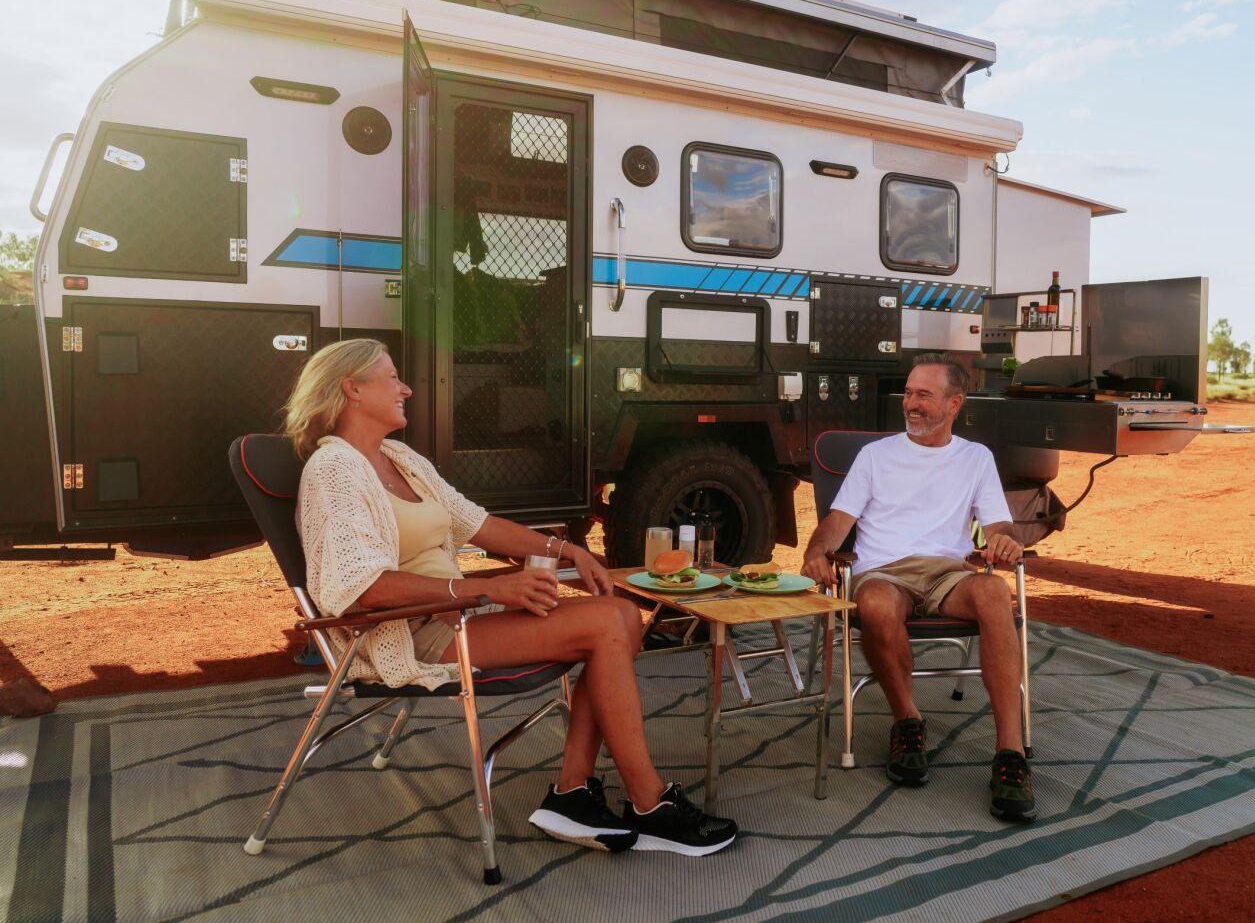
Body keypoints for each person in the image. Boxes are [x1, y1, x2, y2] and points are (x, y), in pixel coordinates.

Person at [284, 338, 736, 856]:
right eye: (392, 378)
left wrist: (566, 549)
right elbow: (361, 589)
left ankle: (574, 794)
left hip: (458, 614)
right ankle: (647, 803)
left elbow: (478, 524)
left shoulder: (398, 457)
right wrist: (484, 588)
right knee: (609, 625)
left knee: (622, 616)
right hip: (410, 632)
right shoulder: (333, 472)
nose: (406, 388)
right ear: (353, 389)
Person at [801, 354, 1034, 822]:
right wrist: (815, 552)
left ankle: (1011, 753)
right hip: (884, 571)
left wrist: (1006, 540)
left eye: (923, 395)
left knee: (993, 593)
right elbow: (838, 520)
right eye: (908, 393)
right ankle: (908, 721)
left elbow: (999, 523)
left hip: (947, 572)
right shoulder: (876, 456)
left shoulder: (975, 458)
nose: (911, 404)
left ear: (954, 403)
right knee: (874, 604)